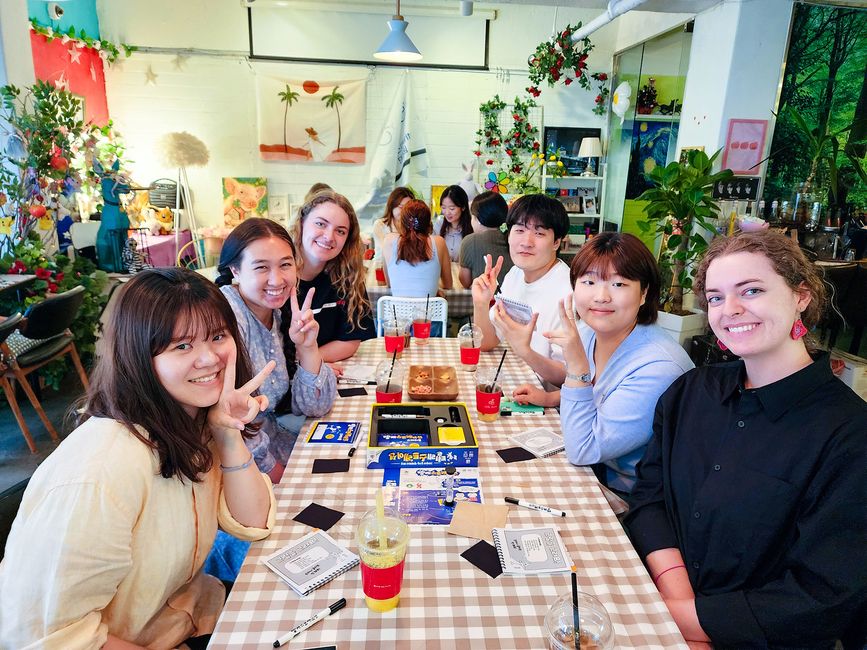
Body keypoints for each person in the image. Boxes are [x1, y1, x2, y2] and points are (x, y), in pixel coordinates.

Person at [0, 268, 276, 648]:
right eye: (182, 346)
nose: (209, 358)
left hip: (191, 618)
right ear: (138, 357)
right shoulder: (103, 468)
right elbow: (54, 638)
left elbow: (253, 522)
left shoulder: (191, 422)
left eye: (217, 336)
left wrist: (227, 435)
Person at [625, 231, 867, 648]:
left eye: (751, 290)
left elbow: (823, 595)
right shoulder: (688, 394)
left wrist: (690, 621)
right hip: (662, 602)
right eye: (716, 297)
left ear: (801, 296)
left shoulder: (849, 434)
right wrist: (677, 597)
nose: (730, 310)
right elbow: (650, 497)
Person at [513, 233, 693, 493]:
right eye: (588, 281)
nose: (601, 296)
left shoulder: (659, 367)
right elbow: (589, 385)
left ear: (644, 293)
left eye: (619, 284)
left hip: (627, 494)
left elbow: (584, 449)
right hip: (592, 471)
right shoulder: (592, 331)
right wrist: (532, 361)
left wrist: (576, 368)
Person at [215, 218, 336, 482]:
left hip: (273, 440)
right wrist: (272, 469)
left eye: (285, 265)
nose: (277, 279)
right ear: (235, 270)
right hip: (236, 462)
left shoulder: (278, 314)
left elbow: (316, 405)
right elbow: (226, 417)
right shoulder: (226, 317)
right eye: (261, 267)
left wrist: (307, 347)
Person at [472, 194, 572, 387]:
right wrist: (481, 303)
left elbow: (571, 376)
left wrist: (525, 351)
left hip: (549, 404)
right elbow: (487, 342)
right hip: (515, 383)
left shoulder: (569, 293)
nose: (526, 241)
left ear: (557, 242)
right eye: (519, 230)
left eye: (539, 233)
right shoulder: (515, 275)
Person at [290, 190, 376, 363]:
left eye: (340, 231)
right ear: (302, 223)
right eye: (321, 224)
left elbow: (350, 340)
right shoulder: (277, 277)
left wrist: (311, 362)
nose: (329, 237)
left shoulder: (348, 277)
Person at [383, 199, 453, 300]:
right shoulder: (439, 242)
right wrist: (432, 287)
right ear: (428, 223)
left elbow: (389, 283)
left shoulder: (388, 241)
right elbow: (448, 285)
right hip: (429, 314)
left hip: (398, 314)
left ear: (402, 222)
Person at [458, 190, 514, 288]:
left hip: (486, 300)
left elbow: (465, 282)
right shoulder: (512, 238)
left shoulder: (470, 241)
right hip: (513, 298)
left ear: (478, 220)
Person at [372, 186, 415, 263]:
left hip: (403, 268)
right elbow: (388, 251)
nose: (405, 211)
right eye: (401, 207)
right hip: (381, 266)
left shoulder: (413, 225)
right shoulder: (380, 224)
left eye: (408, 208)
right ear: (392, 206)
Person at [433, 185, 473, 262]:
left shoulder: (472, 227)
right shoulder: (438, 226)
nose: (447, 212)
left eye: (452, 208)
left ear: (463, 207)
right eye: (443, 207)